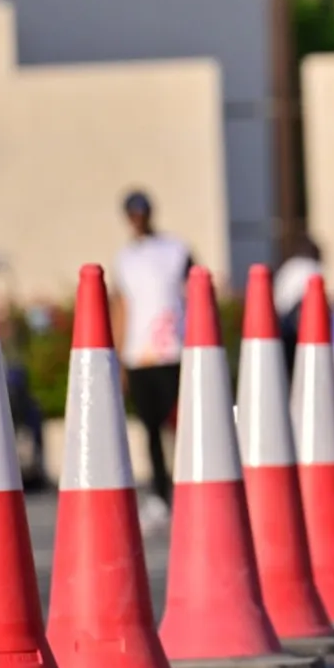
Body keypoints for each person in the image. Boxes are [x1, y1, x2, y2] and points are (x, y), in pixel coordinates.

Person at [109, 190, 194, 531]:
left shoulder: (176, 249)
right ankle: (161, 495)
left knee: (181, 426)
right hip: (139, 355)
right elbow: (121, 308)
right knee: (152, 430)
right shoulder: (125, 258)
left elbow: (195, 294)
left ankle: (189, 490)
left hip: (173, 350)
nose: (138, 219)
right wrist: (118, 358)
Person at [272, 236, 324, 373]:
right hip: (297, 321)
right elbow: (314, 299)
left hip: (280, 319)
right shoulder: (312, 268)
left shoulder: (289, 266)